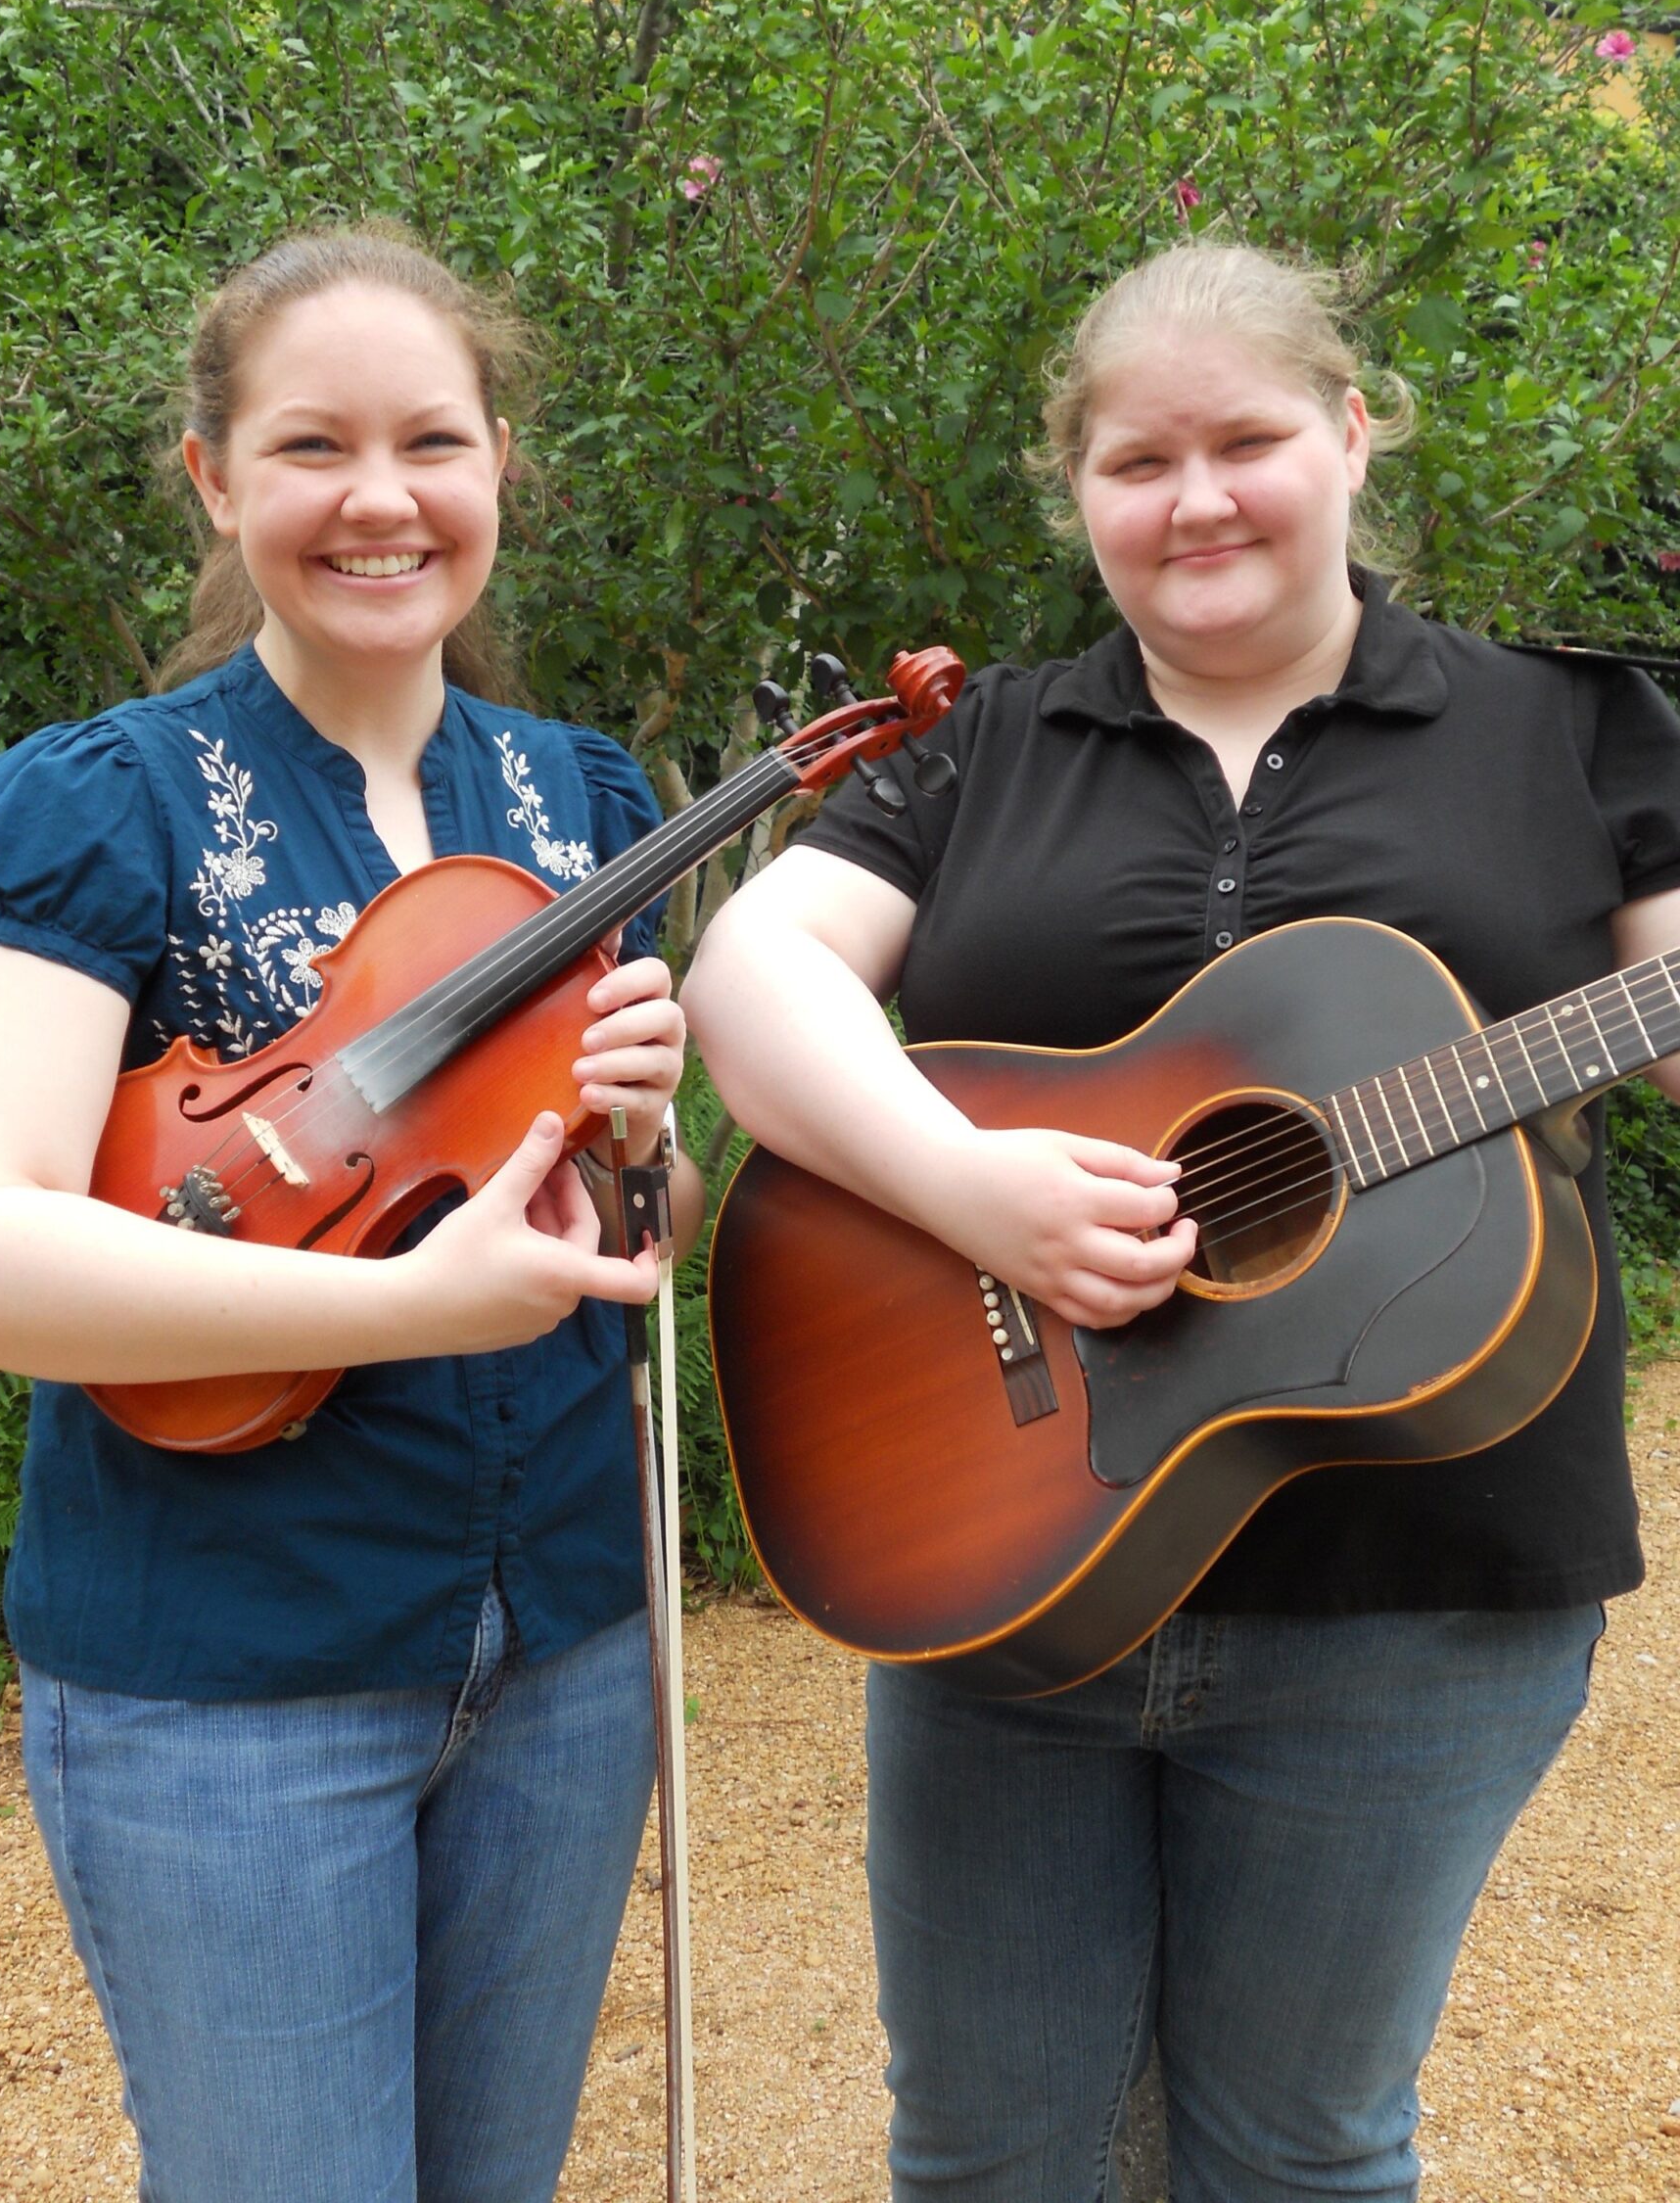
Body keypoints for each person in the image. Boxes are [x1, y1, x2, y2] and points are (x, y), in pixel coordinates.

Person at [682, 237, 1680, 2203]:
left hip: (1423, 1576)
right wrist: (966, 1180)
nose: (1197, 496)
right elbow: (753, 974)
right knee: (989, 2152)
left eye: (1246, 438)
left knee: (1301, 2153)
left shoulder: (1568, 729)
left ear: (1352, 428)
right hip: (1005, 1545)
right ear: (1079, 494)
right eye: (1139, 459)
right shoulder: (985, 746)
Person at [0, 224, 704, 2203]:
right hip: (226, 1678)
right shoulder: (113, 802)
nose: (380, 497)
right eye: (312, 444)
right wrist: (428, 1307)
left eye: (433, 437)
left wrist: (646, 1161)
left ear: (502, 457)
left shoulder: (587, 801)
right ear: (213, 473)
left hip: (568, 1651)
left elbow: (625, 1220)